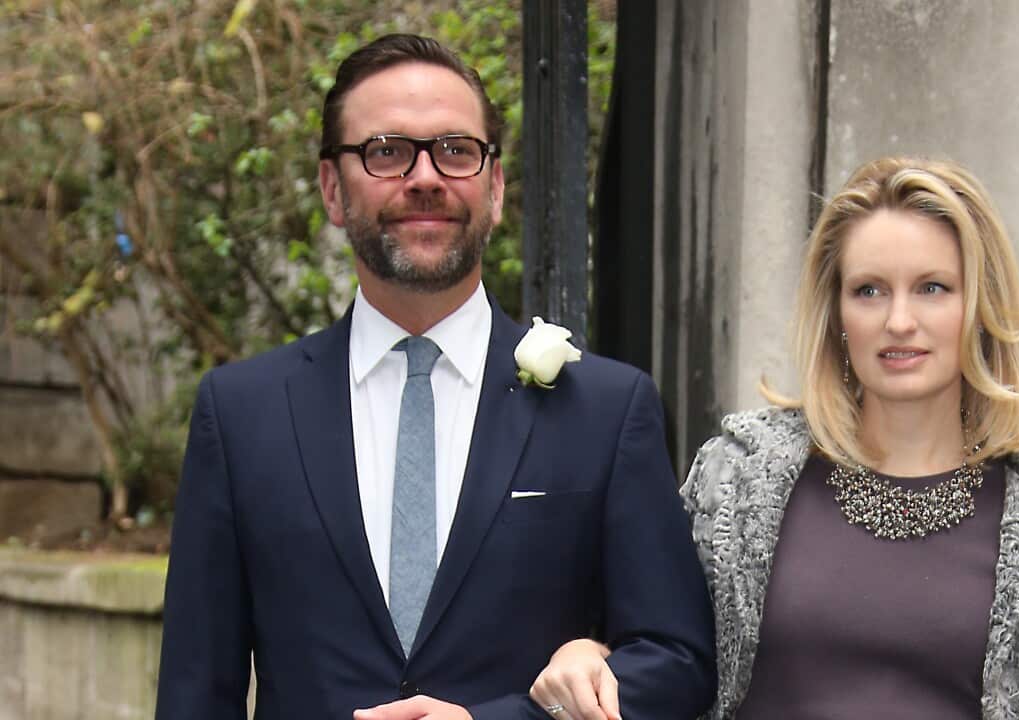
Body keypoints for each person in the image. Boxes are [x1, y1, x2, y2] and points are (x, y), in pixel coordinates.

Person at [155, 33, 715, 720]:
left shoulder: (607, 408)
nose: (426, 177)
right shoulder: (241, 414)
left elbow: (678, 665)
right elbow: (194, 695)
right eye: (387, 151)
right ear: (333, 188)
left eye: (455, 150)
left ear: (496, 185)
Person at [529, 157, 1019, 719]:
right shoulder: (737, 477)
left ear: (981, 305)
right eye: (869, 290)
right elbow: (660, 648)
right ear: (837, 315)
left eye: (932, 287)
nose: (898, 320)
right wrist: (587, 649)